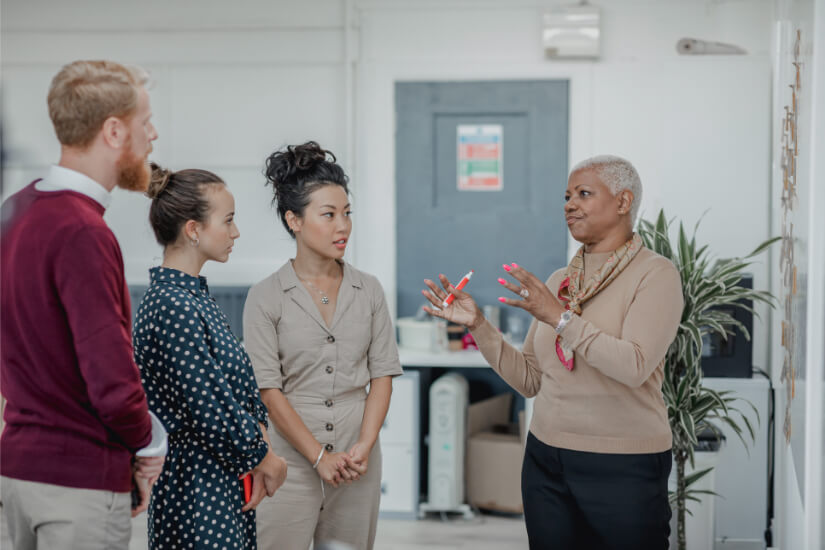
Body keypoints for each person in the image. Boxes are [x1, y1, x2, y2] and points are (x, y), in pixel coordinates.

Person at [423, 155, 683, 550]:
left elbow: (633, 366)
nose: (569, 205)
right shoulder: (560, 282)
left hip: (623, 467)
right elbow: (529, 379)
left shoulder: (655, 274)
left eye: (583, 194)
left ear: (623, 201)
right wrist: (478, 325)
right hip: (547, 461)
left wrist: (560, 318)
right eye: (566, 196)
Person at [0, 60, 164, 549]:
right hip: (78, 486)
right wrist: (150, 443)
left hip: (18, 476)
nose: (153, 135)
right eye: (145, 122)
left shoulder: (15, 210)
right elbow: (111, 382)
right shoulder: (83, 232)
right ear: (114, 131)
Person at [244, 141, 403, 550]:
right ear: (293, 220)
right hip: (287, 462)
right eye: (329, 215)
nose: (343, 226)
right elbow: (268, 389)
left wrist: (363, 448)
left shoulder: (368, 289)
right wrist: (318, 457)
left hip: (356, 459)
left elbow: (382, 374)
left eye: (347, 214)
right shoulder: (266, 296)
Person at [133, 164, 288, 549]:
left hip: (220, 479)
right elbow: (208, 406)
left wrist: (259, 444)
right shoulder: (172, 304)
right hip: (195, 489)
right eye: (229, 220)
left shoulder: (193, 297)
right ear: (193, 229)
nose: (235, 232)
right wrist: (262, 456)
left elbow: (235, 391)